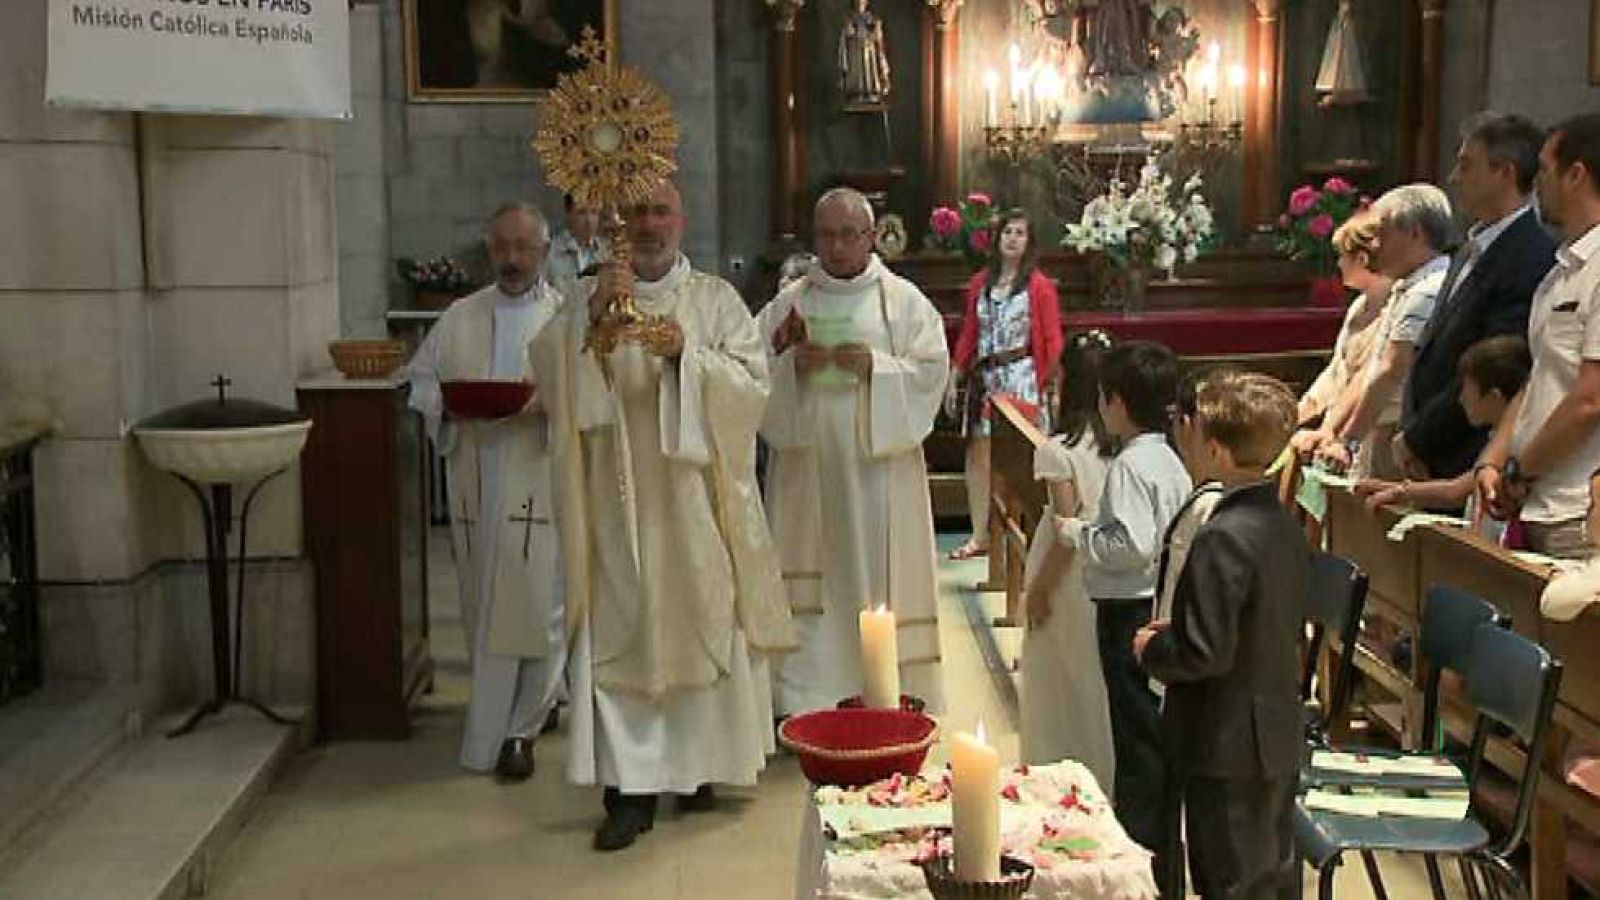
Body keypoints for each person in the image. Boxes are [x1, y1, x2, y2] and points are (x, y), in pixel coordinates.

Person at [530, 179, 796, 851]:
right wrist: (589, 323)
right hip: (614, 503)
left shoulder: (714, 300)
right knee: (627, 632)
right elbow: (554, 383)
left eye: (659, 211)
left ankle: (699, 768)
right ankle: (629, 791)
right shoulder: (585, 299)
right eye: (635, 213)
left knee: (703, 618)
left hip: (694, 500)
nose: (647, 225)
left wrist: (687, 358)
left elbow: (752, 388)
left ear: (681, 219)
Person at [760, 187, 949, 716]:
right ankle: (805, 697)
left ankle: (883, 690)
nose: (837, 246)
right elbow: (749, 370)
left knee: (874, 578)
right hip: (807, 467)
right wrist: (789, 370)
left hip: (876, 474)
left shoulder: (904, 301)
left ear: (871, 236)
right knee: (813, 579)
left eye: (849, 235)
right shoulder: (789, 301)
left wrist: (876, 368)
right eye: (826, 234)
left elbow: (933, 372)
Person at [407, 201, 566, 780]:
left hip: (539, 477)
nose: (512, 259)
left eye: (524, 248)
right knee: (485, 608)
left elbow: (588, 394)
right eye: (502, 247)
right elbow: (421, 381)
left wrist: (551, 404)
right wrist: (444, 404)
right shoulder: (459, 316)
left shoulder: (564, 317)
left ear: (545, 252)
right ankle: (493, 719)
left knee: (540, 608)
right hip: (476, 475)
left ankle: (521, 729)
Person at [1136, 372, 1308, 900]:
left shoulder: (1222, 535)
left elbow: (1206, 652)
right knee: (1271, 876)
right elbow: (1260, 619)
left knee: (1228, 879)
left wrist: (1154, 648)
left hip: (1225, 741)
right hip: (1274, 730)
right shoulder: (1283, 521)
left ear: (1217, 451)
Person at [1054, 340, 1191, 888]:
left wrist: (1077, 532)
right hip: (1152, 602)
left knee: (1137, 741)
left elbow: (1129, 543)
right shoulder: (1167, 457)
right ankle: (1161, 863)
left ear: (1115, 402)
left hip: (1127, 609)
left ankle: (1143, 867)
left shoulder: (1133, 464)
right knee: (1148, 736)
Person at [1397, 113, 1554, 482]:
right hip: (1434, 450)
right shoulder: (1471, 247)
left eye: (1467, 165)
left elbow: (1494, 365)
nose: (1454, 177)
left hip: (1467, 451)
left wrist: (1423, 440)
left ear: (1504, 172)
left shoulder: (1528, 255)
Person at [1477, 114, 1600, 560]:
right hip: (1538, 503)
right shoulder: (1557, 274)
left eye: (1545, 171)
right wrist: (1494, 459)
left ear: (1576, 174)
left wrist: (1519, 473)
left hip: (1580, 509)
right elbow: (1539, 381)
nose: (1537, 185)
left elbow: (1590, 399)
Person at [1019, 329, 1116, 784]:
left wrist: (1040, 588)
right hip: (1110, 568)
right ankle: (1105, 770)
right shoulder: (1125, 446)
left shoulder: (1058, 451)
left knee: (1060, 679)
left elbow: (1064, 526)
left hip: (1068, 576)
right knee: (1096, 678)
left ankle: (1058, 772)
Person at [1313, 184, 1455, 479]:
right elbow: (1370, 370)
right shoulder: (1409, 287)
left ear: (1415, 233)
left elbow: (1390, 371)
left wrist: (1348, 440)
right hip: (1378, 429)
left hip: (1398, 432)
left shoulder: (1428, 289)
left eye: (1383, 233)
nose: (1375, 245)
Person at [947, 209, 1066, 561]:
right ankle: (980, 533)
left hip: (1022, 374)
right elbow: (971, 331)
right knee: (978, 455)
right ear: (996, 239)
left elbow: (1051, 338)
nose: (1012, 238)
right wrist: (956, 372)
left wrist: (1050, 385)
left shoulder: (1039, 286)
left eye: (1020, 233)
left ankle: (1029, 533)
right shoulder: (980, 284)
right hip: (986, 377)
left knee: (1021, 456)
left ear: (1030, 243)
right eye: (1007, 232)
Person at [1358, 335, 1531, 514]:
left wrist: (1399, 492)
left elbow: (1455, 492)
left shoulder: (1513, 450)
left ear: (1494, 397)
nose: (1461, 398)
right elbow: (1453, 489)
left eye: (1466, 387)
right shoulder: (1496, 444)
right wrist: (1394, 490)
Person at [1296, 209, 1390, 427]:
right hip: (1337, 419)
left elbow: (1370, 377)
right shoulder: (1358, 305)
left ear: (1362, 258)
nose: (1338, 264)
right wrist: (1302, 411)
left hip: (1375, 423)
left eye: (1342, 256)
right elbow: (1337, 369)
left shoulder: (1395, 305)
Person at [546, 194, 604, 295]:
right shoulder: (549, 253)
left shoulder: (607, 252)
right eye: (582, 213)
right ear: (568, 213)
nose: (589, 221)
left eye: (594, 212)